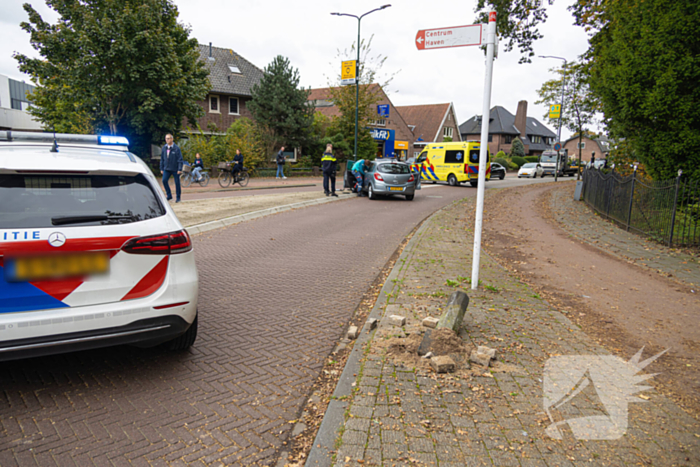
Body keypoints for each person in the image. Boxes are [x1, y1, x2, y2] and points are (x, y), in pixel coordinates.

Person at [160, 133, 183, 202]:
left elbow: (180, 159)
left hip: (175, 169)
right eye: (166, 138)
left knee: (177, 183)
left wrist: (179, 169)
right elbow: (162, 159)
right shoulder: (164, 148)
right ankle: (169, 195)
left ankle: (178, 197)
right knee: (164, 180)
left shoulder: (176, 148)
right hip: (166, 168)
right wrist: (161, 168)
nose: (167, 140)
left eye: (168, 138)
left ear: (172, 139)